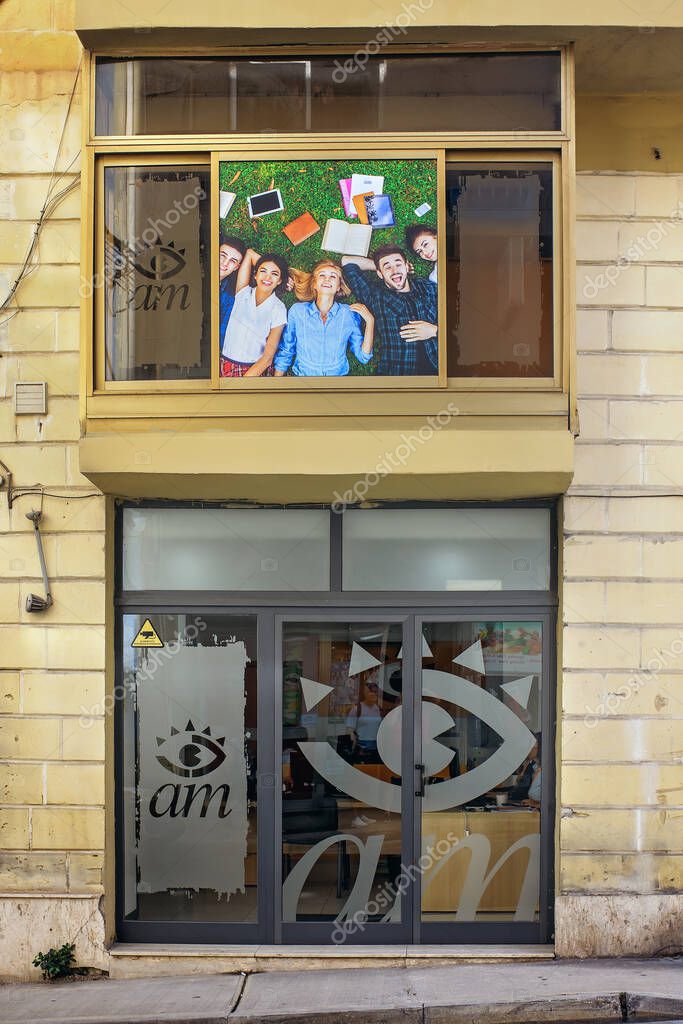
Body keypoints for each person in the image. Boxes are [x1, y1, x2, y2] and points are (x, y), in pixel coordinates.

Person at [341, 245, 438, 376]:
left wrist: (436, 331)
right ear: (379, 274)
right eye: (387, 267)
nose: (394, 271)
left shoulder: (429, 288)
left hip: (440, 371)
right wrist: (377, 265)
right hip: (397, 375)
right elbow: (347, 262)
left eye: (398, 264)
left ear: (406, 266)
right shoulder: (375, 295)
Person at [273, 260, 375, 377]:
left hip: (335, 384)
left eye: (333, 276)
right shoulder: (298, 311)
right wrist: (277, 382)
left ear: (338, 287)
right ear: (314, 284)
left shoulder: (349, 313)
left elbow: (364, 357)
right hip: (303, 380)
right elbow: (286, 350)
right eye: (322, 275)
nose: (327, 279)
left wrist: (370, 321)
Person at [220, 248, 288, 377]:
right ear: (255, 275)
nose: (267, 277)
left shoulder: (278, 308)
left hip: (252, 370)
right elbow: (250, 253)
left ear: (279, 281)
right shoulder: (243, 292)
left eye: (274, 274)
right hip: (224, 365)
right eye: (263, 271)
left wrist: (243, 383)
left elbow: (268, 358)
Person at [218, 234, 246, 342]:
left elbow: (220, 337)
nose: (225, 263)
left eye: (233, 261)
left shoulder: (229, 298)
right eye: (222, 255)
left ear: (236, 267)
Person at [510, 733, 542, 806]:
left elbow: (529, 792)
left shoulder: (542, 769)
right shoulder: (534, 766)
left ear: (537, 747)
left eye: (530, 746)